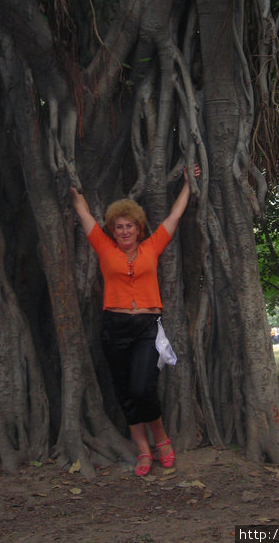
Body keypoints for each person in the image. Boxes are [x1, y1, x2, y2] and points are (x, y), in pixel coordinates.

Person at [71, 165, 200, 476]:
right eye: (119, 227)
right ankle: (143, 450)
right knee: (125, 392)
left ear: (139, 229)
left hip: (145, 329)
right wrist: (71, 184)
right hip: (114, 328)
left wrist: (188, 185)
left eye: (129, 226)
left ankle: (161, 439)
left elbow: (174, 217)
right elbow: (84, 213)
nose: (125, 231)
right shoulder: (103, 247)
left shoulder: (152, 247)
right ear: (112, 231)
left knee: (143, 388)